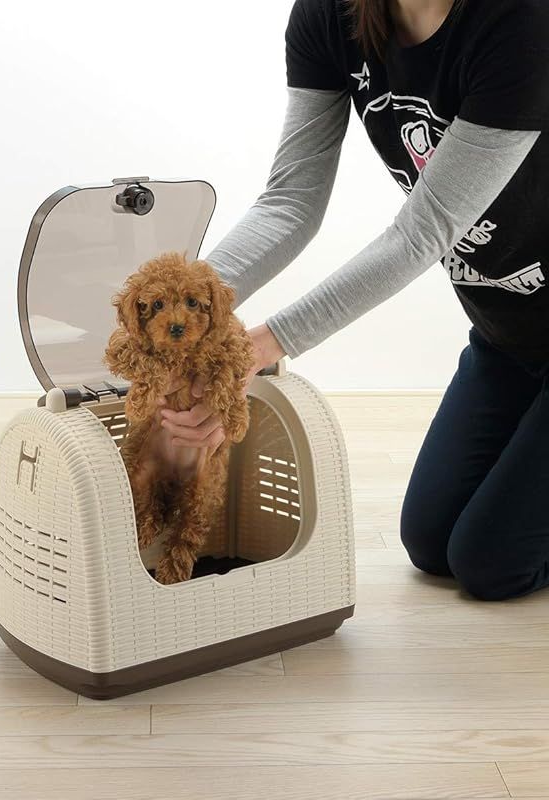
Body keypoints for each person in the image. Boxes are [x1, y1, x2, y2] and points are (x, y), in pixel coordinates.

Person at [158, 0, 549, 601]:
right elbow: (289, 202)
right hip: (506, 341)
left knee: (492, 565)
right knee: (431, 543)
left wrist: (252, 350)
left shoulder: (523, 21)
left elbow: (421, 234)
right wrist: (182, 310)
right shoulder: (330, 16)